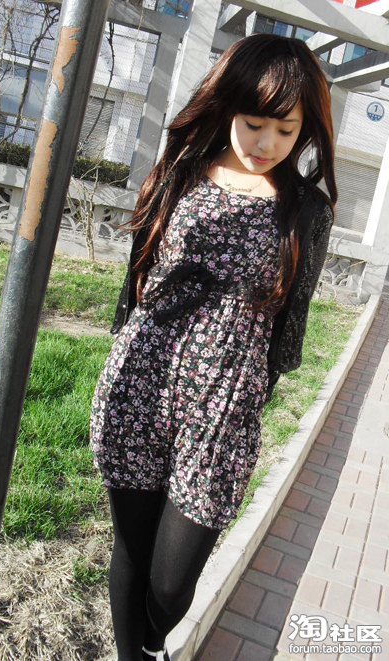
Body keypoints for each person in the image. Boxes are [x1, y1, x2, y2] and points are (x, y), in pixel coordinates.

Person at [90, 33, 337, 661]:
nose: (266, 143)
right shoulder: (178, 173)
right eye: (254, 123)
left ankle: (151, 642)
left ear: (305, 130)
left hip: (224, 406)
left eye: (285, 130)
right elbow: (135, 284)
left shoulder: (306, 209)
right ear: (227, 105)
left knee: (171, 584)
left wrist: (248, 398)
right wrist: (124, 357)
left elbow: (290, 327)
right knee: (131, 550)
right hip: (142, 383)